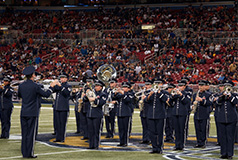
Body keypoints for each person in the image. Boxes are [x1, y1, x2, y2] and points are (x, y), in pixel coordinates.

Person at [18, 66, 53, 158]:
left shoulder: (21, 85)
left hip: (23, 111)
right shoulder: (35, 86)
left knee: (24, 133)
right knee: (31, 134)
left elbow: (20, 95)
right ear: (33, 75)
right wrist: (51, 87)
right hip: (32, 112)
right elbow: (46, 94)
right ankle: (29, 153)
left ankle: (24, 152)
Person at [145, 79, 169, 154]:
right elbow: (146, 101)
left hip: (160, 115)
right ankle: (154, 147)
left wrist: (159, 93)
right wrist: (150, 95)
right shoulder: (150, 92)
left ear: (161, 84)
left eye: (159, 83)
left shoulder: (164, 92)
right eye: (156, 83)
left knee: (160, 132)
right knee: (152, 133)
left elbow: (166, 100)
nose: (157, 85)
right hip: (151, 115)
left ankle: (159, 148)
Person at [215, 80, 237, 159]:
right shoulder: (220, 95)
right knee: (223, 137)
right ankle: (223, 153)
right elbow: (217, 103)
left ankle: (230, 154)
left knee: (230, 137)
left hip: (231, 118)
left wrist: (230, 96)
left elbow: (235, 102)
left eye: (228, 86)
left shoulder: (235, 95)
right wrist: (223, 96)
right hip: (221, 118)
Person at [85, 80, 106, 149]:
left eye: (97, 86)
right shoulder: (92, 93)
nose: (96, 87)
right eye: (95, 86)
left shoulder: (103, 94)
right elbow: (85, 100)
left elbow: (101, 103)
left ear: (101, 87)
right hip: (90, 114)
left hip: (97, 114)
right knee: (90, 131)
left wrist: (94, 99)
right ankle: (91, 145)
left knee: (96, 131)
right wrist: (87, 95)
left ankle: (96, 145)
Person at [170, 80, 191, 151]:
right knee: (176, 130)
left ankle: (181, 145)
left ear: (184, 87)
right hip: (175, 113)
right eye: (179, 86)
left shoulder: (187, 93)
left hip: (183, 113)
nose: (179, 87)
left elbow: (187, 102)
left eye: (181, 86)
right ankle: (177, 144)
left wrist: (181, 95)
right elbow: (170, 102)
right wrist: (172, 96)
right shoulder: (175, 94)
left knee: (182, 129)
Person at [51, 73, 72, 142]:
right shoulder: (58, 85)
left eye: (63, 78)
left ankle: (62, 138)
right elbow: (53, 90)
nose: (61, 79)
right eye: (61, 78)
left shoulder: (68, 85)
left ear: (66, 79)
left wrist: (61, 87)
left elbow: (67, 93)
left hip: (63, 108)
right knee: (57, 123)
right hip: (57, 107)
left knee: (62, 123)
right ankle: (58, 137)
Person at [192, 80, 213, 148]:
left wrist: (201, 100)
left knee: (203, 129)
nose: (200, 87)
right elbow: (192, 102)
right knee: (197, 129)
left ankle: (203, 142)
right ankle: (198, 142)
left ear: (205, 86)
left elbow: (209, 103)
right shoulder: (195, 94)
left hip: (204, 114)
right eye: (199, 85)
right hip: (196, 114)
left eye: (202, 86)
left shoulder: (208, 94)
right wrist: (193, 105)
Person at [113, 82, 134, 147]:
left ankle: (125, 142)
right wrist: (115, 93)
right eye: (123, 87)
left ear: (128, 88)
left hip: (126, 113)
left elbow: (128, 100)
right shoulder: (120, 94)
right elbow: (114, 98)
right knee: (121, 129)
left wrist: (123, 93)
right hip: (120, 113)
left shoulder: (131, 94)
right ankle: (121, 141)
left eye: (125, 87)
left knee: (125, 129)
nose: (124, 88)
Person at [139, 79, 152, 144]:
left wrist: (146, 98)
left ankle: (149, 139)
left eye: (148, 85)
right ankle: (145, 138)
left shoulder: (151, 92)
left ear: (150, 85)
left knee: (149, 127)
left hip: (149, 111)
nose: (146, 86)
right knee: (144, 126)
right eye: (145, 85)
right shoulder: (143, 92)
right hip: (143, 111)